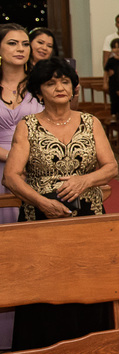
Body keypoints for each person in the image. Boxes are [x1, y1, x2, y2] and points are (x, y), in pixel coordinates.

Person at [3, 56, 118, 354]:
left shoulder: (90, 122)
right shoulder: (27, 126)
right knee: (45, 292)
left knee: (87, 287)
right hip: (42, 218)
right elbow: (11, 176)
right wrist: (41, 202)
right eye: (52, 82)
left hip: (87, 215)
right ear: (40, 89)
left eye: (65, 81)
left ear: (73, 87)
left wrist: (84, 181)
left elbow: (111, 167)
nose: (60, 87)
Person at [1, 24, 43, 225]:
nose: (20, 49)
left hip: (37, 166)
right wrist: (14, 159)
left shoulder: (41, 85)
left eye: (25, 44)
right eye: (12, 43)